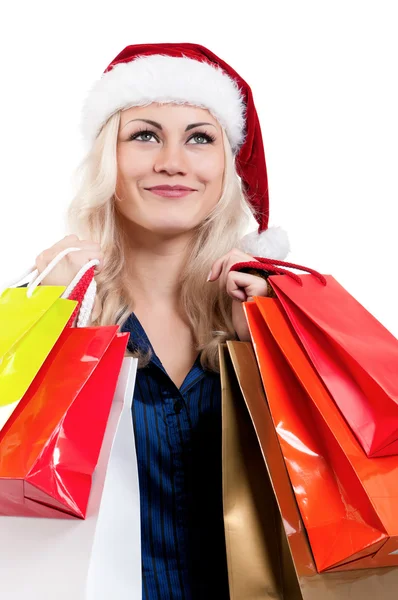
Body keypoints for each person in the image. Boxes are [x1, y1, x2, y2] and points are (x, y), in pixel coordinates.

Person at [33, 43, 290, 599]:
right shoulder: (45, 312)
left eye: (200, 137)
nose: (172, 161)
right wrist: (52, 332)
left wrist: (279, 355)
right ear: (109, 159)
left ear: (228, 163)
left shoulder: (275, 314)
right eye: (144, 135)